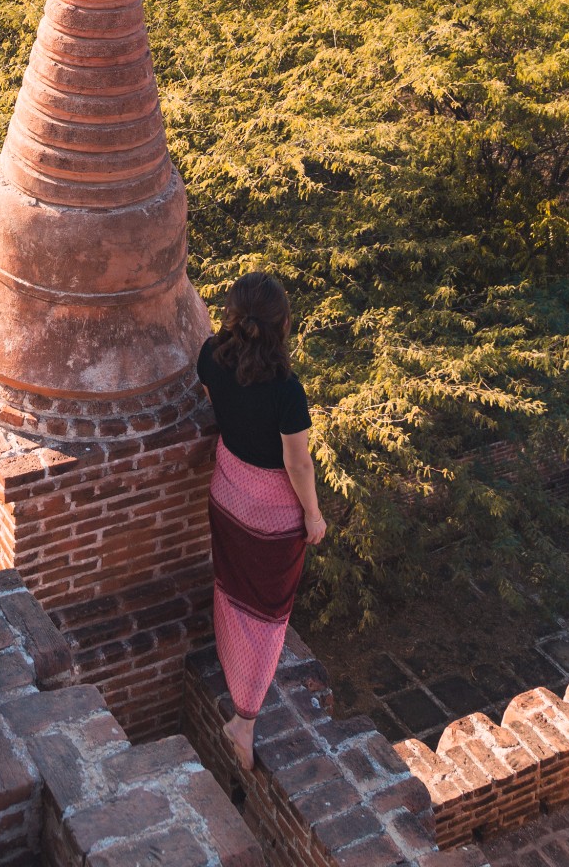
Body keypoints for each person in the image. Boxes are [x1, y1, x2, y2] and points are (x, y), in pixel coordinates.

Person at [197, 271, 326, 772]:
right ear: (284, 325)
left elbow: (218, 409)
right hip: (270, 515)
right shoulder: (287, 392)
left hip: (227, 493)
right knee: (268, 613)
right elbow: (299, 465)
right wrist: (313, 516)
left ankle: (233, 674)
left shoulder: (211, 355)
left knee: (231, 590)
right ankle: (244, 719)